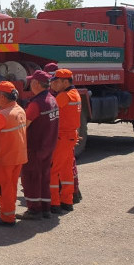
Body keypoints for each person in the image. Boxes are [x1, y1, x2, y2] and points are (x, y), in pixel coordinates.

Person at [18, 70, 60, 220]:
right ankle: (45, 208)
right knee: (44, 177)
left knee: (31, 178)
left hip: (35, 147)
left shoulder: (37, 104)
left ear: (36, 84)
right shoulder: (52, 99)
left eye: (31, 82)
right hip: (48, 145)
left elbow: (24, 125)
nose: (30, 85)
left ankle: (35, 209)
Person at [0, 82, 28, 227]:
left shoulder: (1, 116)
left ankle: (7, 217)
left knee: (0, 188)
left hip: (4, 158)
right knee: (10, 187)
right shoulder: (20, 110)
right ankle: (7, 211)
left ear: (3, 97)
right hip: (18, 156)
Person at [49, 69, 81, 214]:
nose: (53, 84)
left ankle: (54, 203)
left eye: (56, 81)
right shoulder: (75, 94)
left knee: (53, 170)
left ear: (65, 82)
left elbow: (50, 111)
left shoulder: (64, 96)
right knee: (66, 170)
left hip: (62, 137)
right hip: (70, 136)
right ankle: (67, 201)